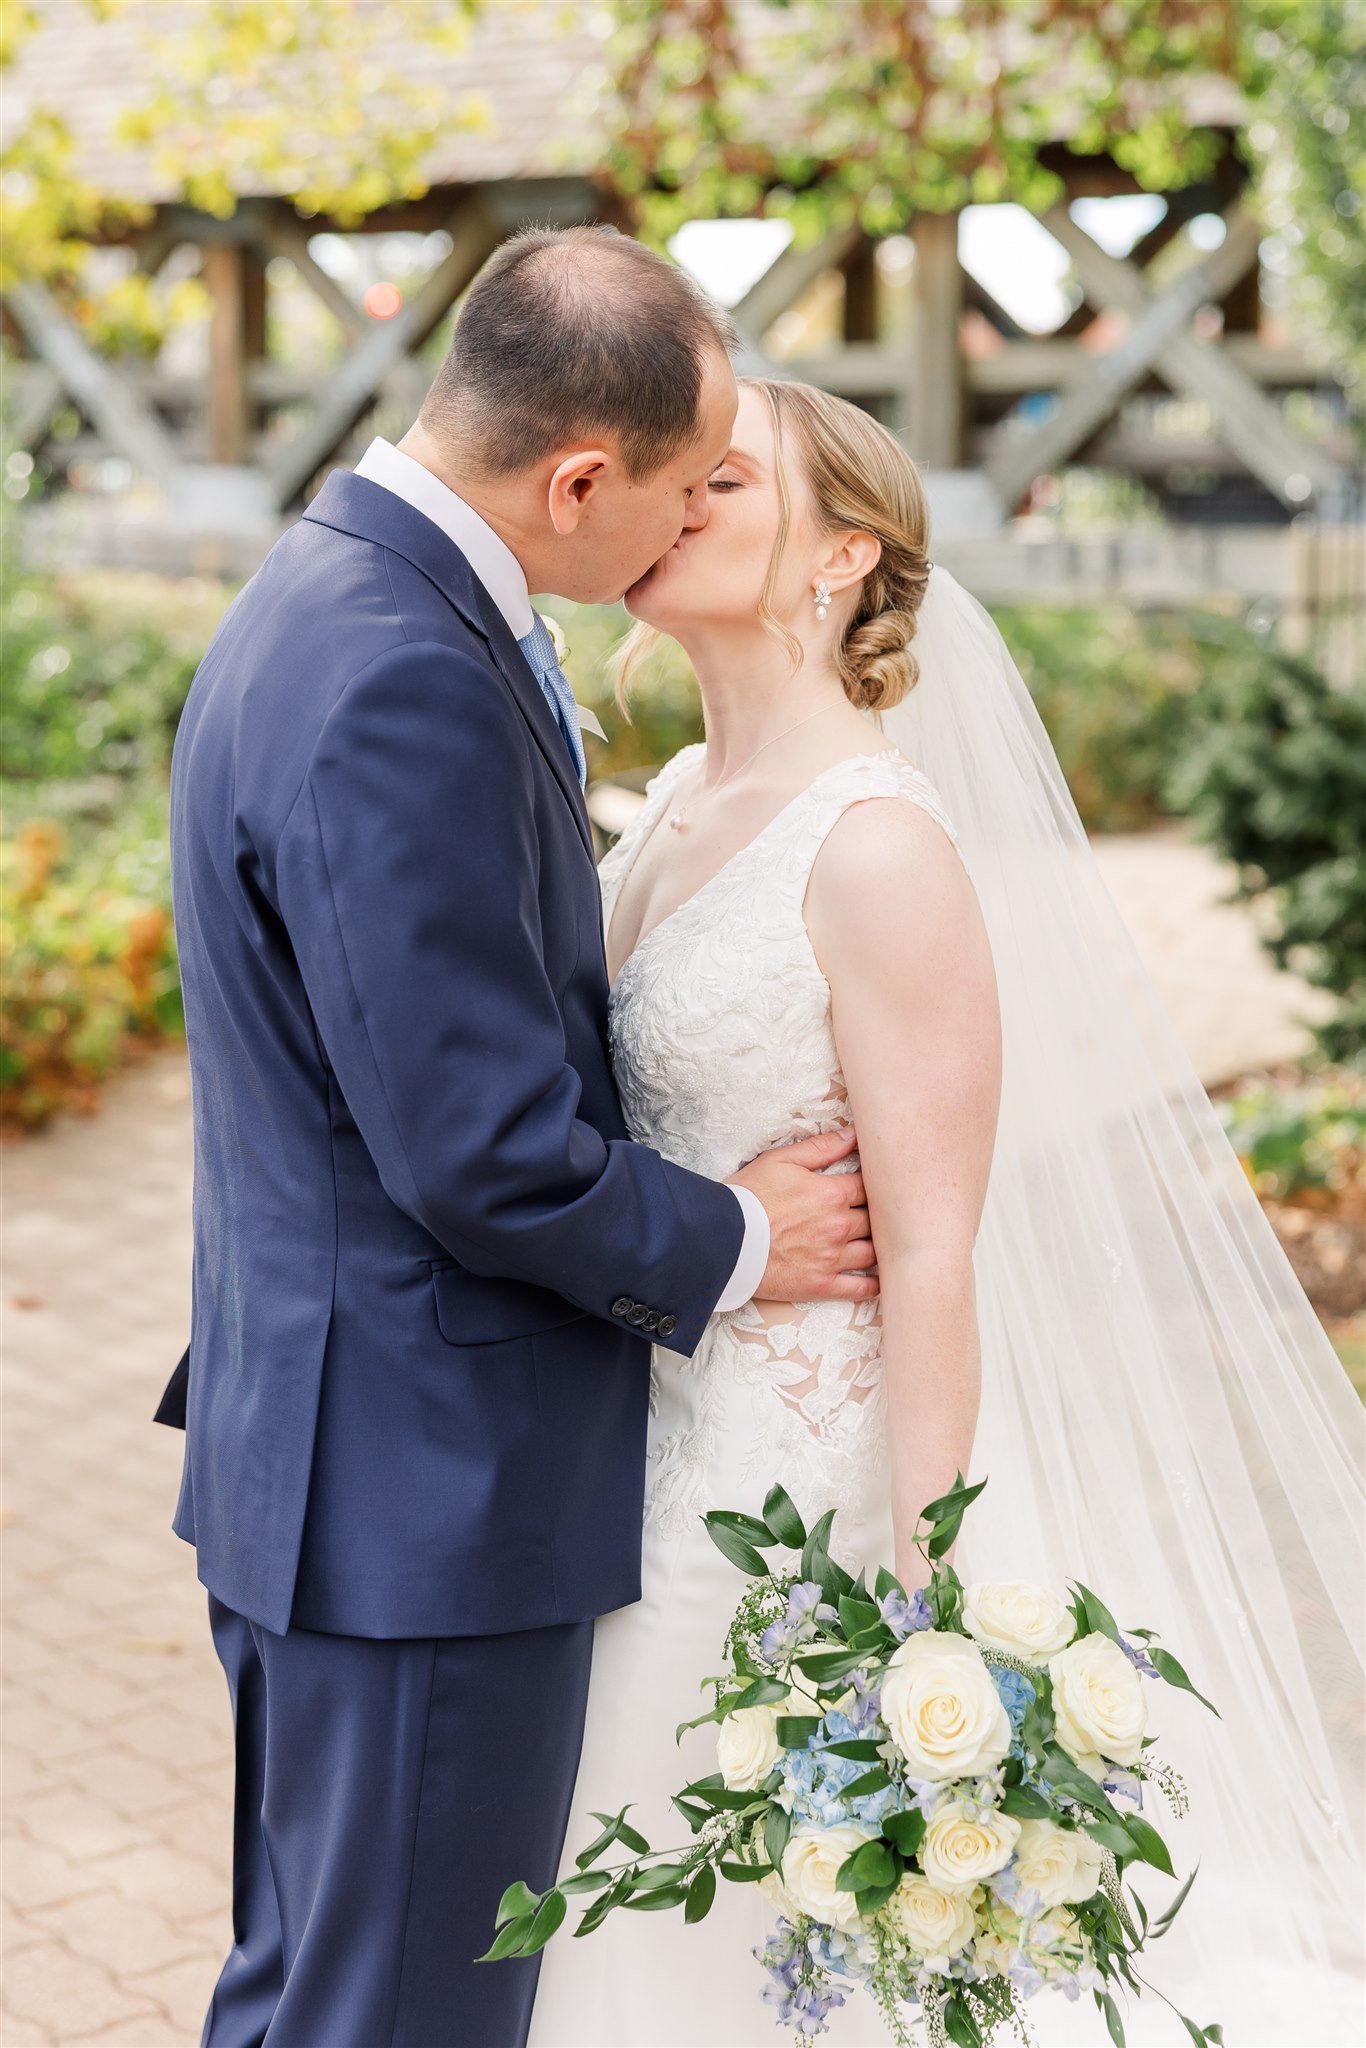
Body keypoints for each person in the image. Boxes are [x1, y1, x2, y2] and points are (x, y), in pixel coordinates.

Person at [526, 379, 1365, 2046]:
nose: (674, 498)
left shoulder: (877, 850)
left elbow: (928, 1247)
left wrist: (925, 1605)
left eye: (723, 479)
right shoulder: (678, 796)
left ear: (841, 553)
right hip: (637, 1424)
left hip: (789, 1485)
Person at [153, 228, 881, 2048]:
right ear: (576, 480)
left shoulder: (326, 590)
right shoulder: (404, 671)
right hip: (421, 1493)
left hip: (331, 1459)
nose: (690, 518)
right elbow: (479, 1150)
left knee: (309, 1990)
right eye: (681, 485)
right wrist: (737, 1238)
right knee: (396, 2016)